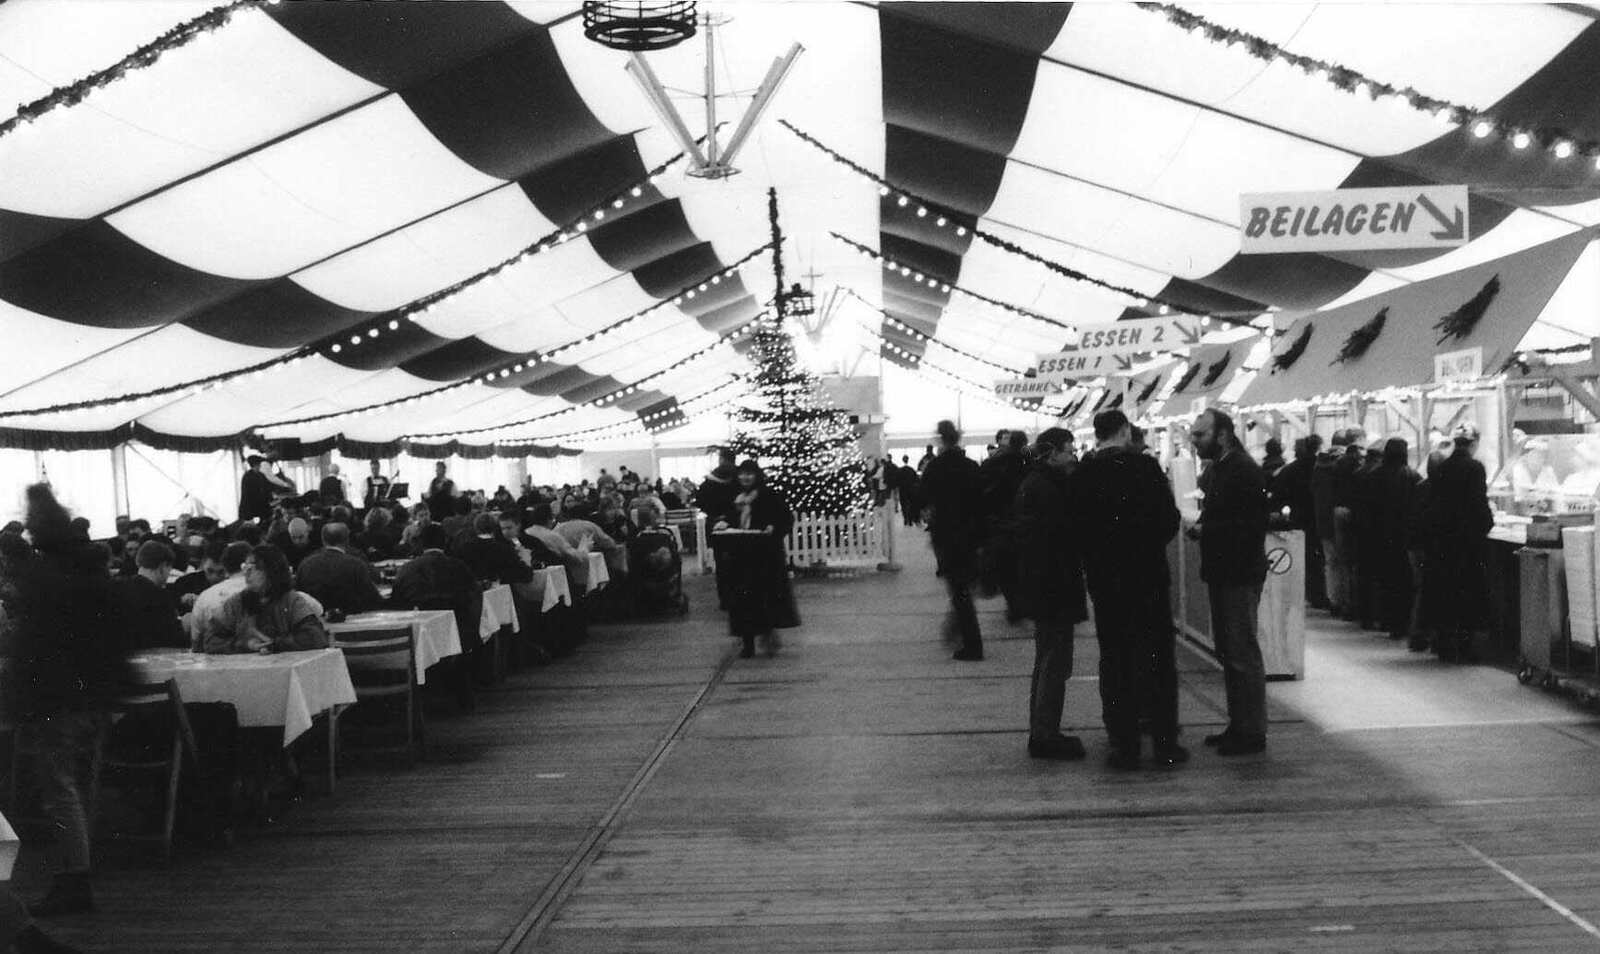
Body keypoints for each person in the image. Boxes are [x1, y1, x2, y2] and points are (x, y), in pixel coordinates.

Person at [1, 486, 128, 917]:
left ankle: (75, 878)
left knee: (59, 790)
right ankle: (73, 875)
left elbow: (34, 647)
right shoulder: (85, 571)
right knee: (63, 788)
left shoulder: (45, 579)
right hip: (81, 697)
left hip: (52, 699)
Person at [1072, 411, 1184, 769]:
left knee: (1116, 659)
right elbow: (1169, 519)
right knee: (1157, 659)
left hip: (1107, 583)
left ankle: (1124, 744)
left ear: (1098, 434)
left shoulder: (1084, 474)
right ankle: (1165, 742)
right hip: (1148, 577)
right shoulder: (1146, 469)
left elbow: (1077, 528)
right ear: (1124, 431)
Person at [1190, 408, 1270, 756]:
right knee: (1230, 651)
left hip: (1239, 572)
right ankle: (1239, 724)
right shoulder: (1221, 468)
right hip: (1225, 571)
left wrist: (1208, 530)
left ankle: (1251, 730)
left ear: (1222, 434)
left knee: (1241, 651)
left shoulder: (1242, 470)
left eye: (1200, 435)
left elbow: (1250, 526)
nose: (1194, 442)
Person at [1012, 428, 1088, 760]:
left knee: (1048, 660)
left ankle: (1043, 729)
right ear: (1052, 452)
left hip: (1045, 585)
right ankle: (1045, 734)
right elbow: (1061, 536)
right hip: (1054, 586)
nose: (1073, 456)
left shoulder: (1036, 484)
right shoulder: (1048, 489)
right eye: (1069, 450)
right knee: (1055, 661)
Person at [713, 460, 798, 658]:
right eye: (742, 474)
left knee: (763, 598)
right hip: (740, 557)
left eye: (749, 474)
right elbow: (727, 516)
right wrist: (724, 523)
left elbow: (785, 519)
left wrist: (773, 528)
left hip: (764, 556)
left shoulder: (769, 495)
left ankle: (767, 634)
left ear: (756, 475)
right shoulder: (734, 496)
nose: (745, 478)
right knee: (742, 601)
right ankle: (747, 642)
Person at [1426, 423, 1494, 662]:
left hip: (1444, 542)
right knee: (1469, 593)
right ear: (1474, 444)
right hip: (1468, 543)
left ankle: (1445, 644)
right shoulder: (1475, 468)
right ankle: (1466, 647)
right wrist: (1486, 525)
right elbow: (1479, 504)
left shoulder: (1441, 468)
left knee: (1447, 591)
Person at [920, 420, 985, 661]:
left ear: (940, 439)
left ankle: (972, 644)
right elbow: (982, 501)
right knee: (965, 587)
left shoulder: (935, 467)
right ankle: (962, 631)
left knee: (959, 591)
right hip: (971, 535)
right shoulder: (971, 466)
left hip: (947, 536)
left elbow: (922, 497)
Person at [203, 545, 328, 654]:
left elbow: (315, 637)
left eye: (254, 568)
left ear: (271, 571)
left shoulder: (291, 601)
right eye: (245, 567)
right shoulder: (237, 602)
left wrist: (274, 644)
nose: (246, 573)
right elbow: (210, 640)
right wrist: (246, 645)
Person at [978, 430, 1030, 620]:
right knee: (1022, 565)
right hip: (1023, 521)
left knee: (1006, 567)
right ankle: (1021, 603)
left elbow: (982, 493)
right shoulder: (1030, 463)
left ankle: (1013, 604)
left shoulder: (991, 463)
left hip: (999, 523)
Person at [1374, 438, 1422, 642]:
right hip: (1404, 536)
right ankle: (1402, 623)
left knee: (1386, 579)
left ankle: (1388, 621)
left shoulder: (1375, 475)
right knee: (1404, 582)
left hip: (1381, 535)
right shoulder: (1412, 476)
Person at [1272, 435, 1325, 609]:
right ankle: (1321, 594)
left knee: (1306, 558)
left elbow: (1278, 496)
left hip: (1298, 520)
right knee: (1321, 558)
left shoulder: (1289, 470)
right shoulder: (1322, 468)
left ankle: (1312, 593)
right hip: (1320, 518)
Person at [112, 539, 187, 650]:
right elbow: (175, 639)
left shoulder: (117, 587)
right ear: (163, 566)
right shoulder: (160, 597)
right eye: (169, 569)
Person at [293, 523, 382, 615]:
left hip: (317, 621)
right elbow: (373, 599)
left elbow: (298, 597)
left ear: (323, 540)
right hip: (353, 622)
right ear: (346, 540)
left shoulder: (305, 565)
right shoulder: (356, 565)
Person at [170, 539, 230, 612]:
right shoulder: (185, 583)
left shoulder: (237, 586)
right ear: (203, 563)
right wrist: (182, 600)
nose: (214, 577)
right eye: (210, 571)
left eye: (221, 572)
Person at [238, 454, 292, 524]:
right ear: (254, 465)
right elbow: (250, 495)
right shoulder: (248, 477)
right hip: (250, 510)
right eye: (259, 465)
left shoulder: (260, 475)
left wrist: (272, 497)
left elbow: (267, 488)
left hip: (260, 507)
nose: (260, 466)